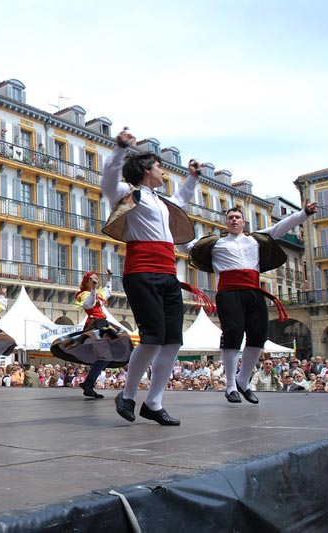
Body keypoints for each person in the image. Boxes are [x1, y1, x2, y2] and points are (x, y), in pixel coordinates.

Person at [101, 128, 205, 426]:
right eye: (159, 167)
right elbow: (108, 179)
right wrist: (120, 148)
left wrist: (193, 178)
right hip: (141, 273)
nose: (163, 171)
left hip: (168, 275)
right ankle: (128, 395)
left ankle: (154, 402)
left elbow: (181, 200)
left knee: (173, 340)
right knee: (152, 338)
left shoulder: (161, 202)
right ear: (147, 171)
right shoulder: (128, 194)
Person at [187, 200, 317, 404]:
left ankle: (243, 381)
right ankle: (230, 384)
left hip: (253, 292)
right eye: (230, 218)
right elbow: (189, 245)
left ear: (244, 222)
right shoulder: (216, 244)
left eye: (237, 217)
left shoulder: (255, 240)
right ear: (226, 223)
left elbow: (279, 227)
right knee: (233, 333)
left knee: (259, 335)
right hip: (228, 293)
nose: (234, 220)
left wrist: (304, 214)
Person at [50, 269, 132, 399]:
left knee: (112, 349)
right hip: (95, 325)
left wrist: (109, 279)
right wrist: (93, 290)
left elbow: (107, 292)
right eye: (93, 279)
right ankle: (88, 383)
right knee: (106, 356)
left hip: (103, 324)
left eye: (96, 278)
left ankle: (88, 383)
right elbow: (88, 305)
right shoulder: (84, 294)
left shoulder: (98, 293)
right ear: (87, 282)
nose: (96, 280)